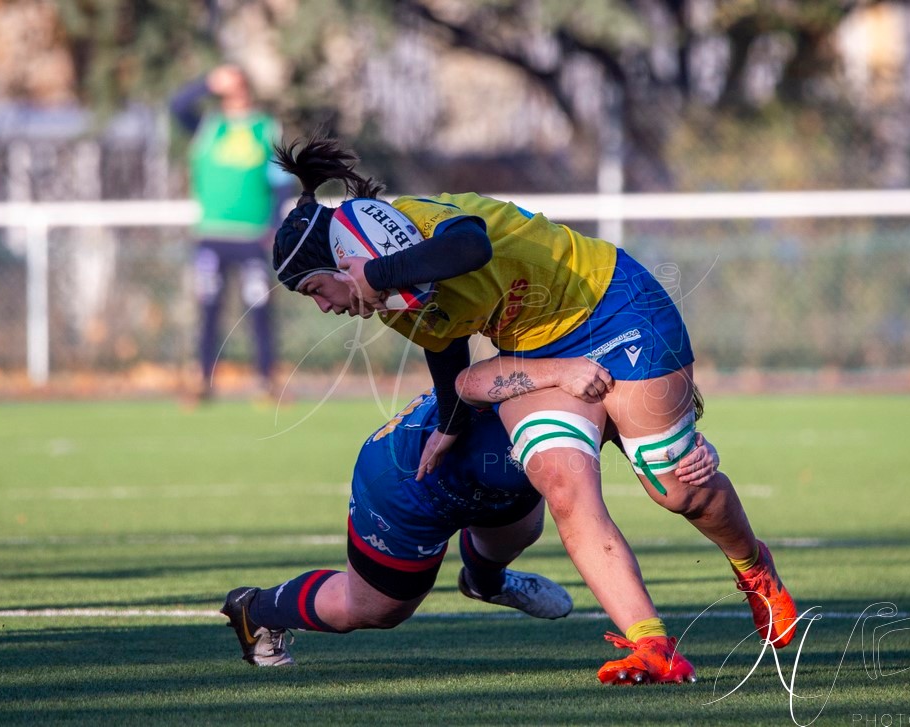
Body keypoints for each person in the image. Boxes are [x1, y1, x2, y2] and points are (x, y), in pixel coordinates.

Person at [268, 131, 798, 684]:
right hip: (538, 352)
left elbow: (470, 245)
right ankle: (653, 648)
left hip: (615, 305)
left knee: (679, 490)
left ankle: (755, 570)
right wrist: (449, 424)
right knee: (566, 488)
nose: (325, 306)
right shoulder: (391, 302)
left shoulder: (411, 222)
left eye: (316, 289)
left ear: (343, 259)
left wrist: (374, 276)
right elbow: (445, 346)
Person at [220, 380, 721, 672]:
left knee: (525, 528)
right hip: (409, 482)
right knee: (375, 610)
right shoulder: (574, 384)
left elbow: (651, 453)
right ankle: (256, 607)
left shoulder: (618, 397)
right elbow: (470, 378)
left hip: (493, 481)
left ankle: (484, 583)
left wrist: (691, 455)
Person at [169, 65, 293, 400]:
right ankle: (203, 381)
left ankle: (267, 381)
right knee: (208, 310)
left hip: (251, 236)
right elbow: (176, 106)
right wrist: (207, 83)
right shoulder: (209, 127)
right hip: (212, 234)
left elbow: (282, 183)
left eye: (238, 85)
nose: (234, 93)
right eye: (228, 87)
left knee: (259, 309)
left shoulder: (266, 129)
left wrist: (273, 226)